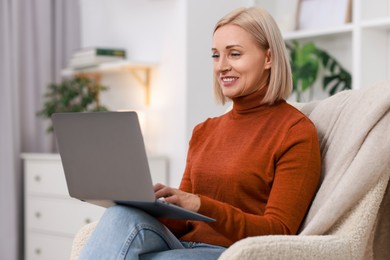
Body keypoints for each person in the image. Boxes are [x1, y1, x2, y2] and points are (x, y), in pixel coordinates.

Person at [79, 6, 321, 260]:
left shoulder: (294, 131)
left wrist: (199, 204)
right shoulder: (205, 131)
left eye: (234, 54)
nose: (222, 67)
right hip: (182, 246)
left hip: (233, 253)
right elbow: (182, 223)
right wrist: (148, 204)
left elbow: (279, 232)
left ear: (268, 58)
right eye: (216, 56)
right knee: (120, 215)